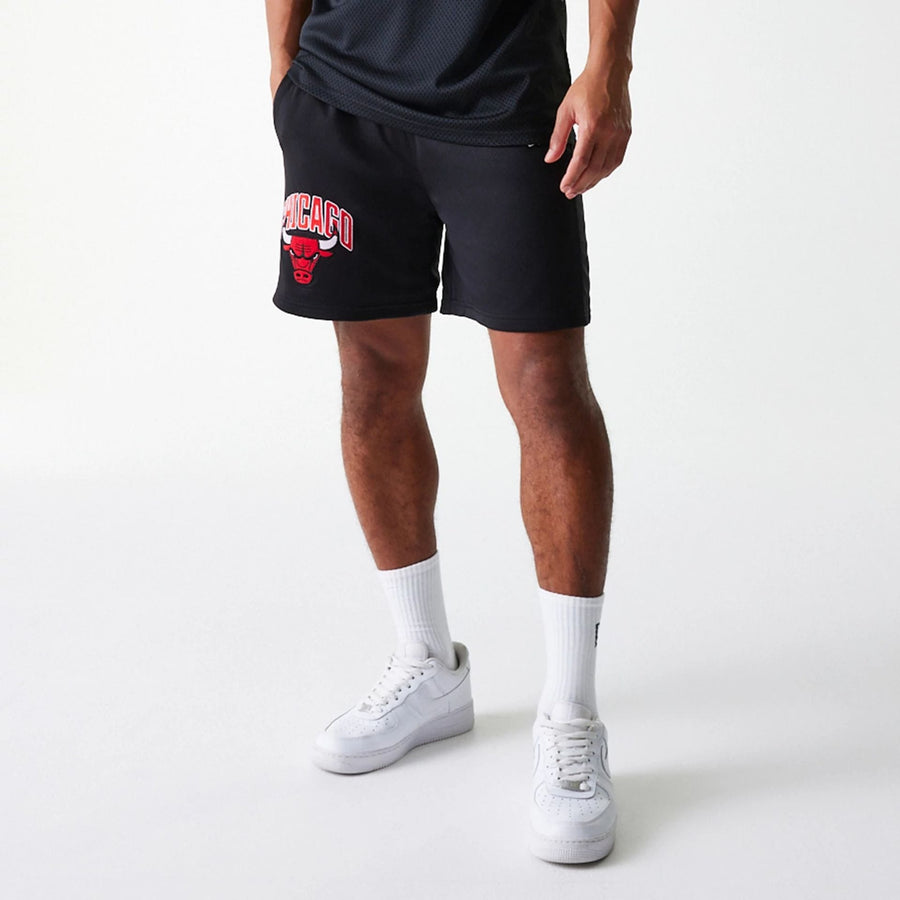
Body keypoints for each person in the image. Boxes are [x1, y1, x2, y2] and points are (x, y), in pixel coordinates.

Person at [264, 0, 638, 864]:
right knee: (372, 377)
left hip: (503, 99)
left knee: (546, 388)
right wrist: (283, 65)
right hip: (341, 96)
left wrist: (609, 65)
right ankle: (426, 664)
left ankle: (571, 714)